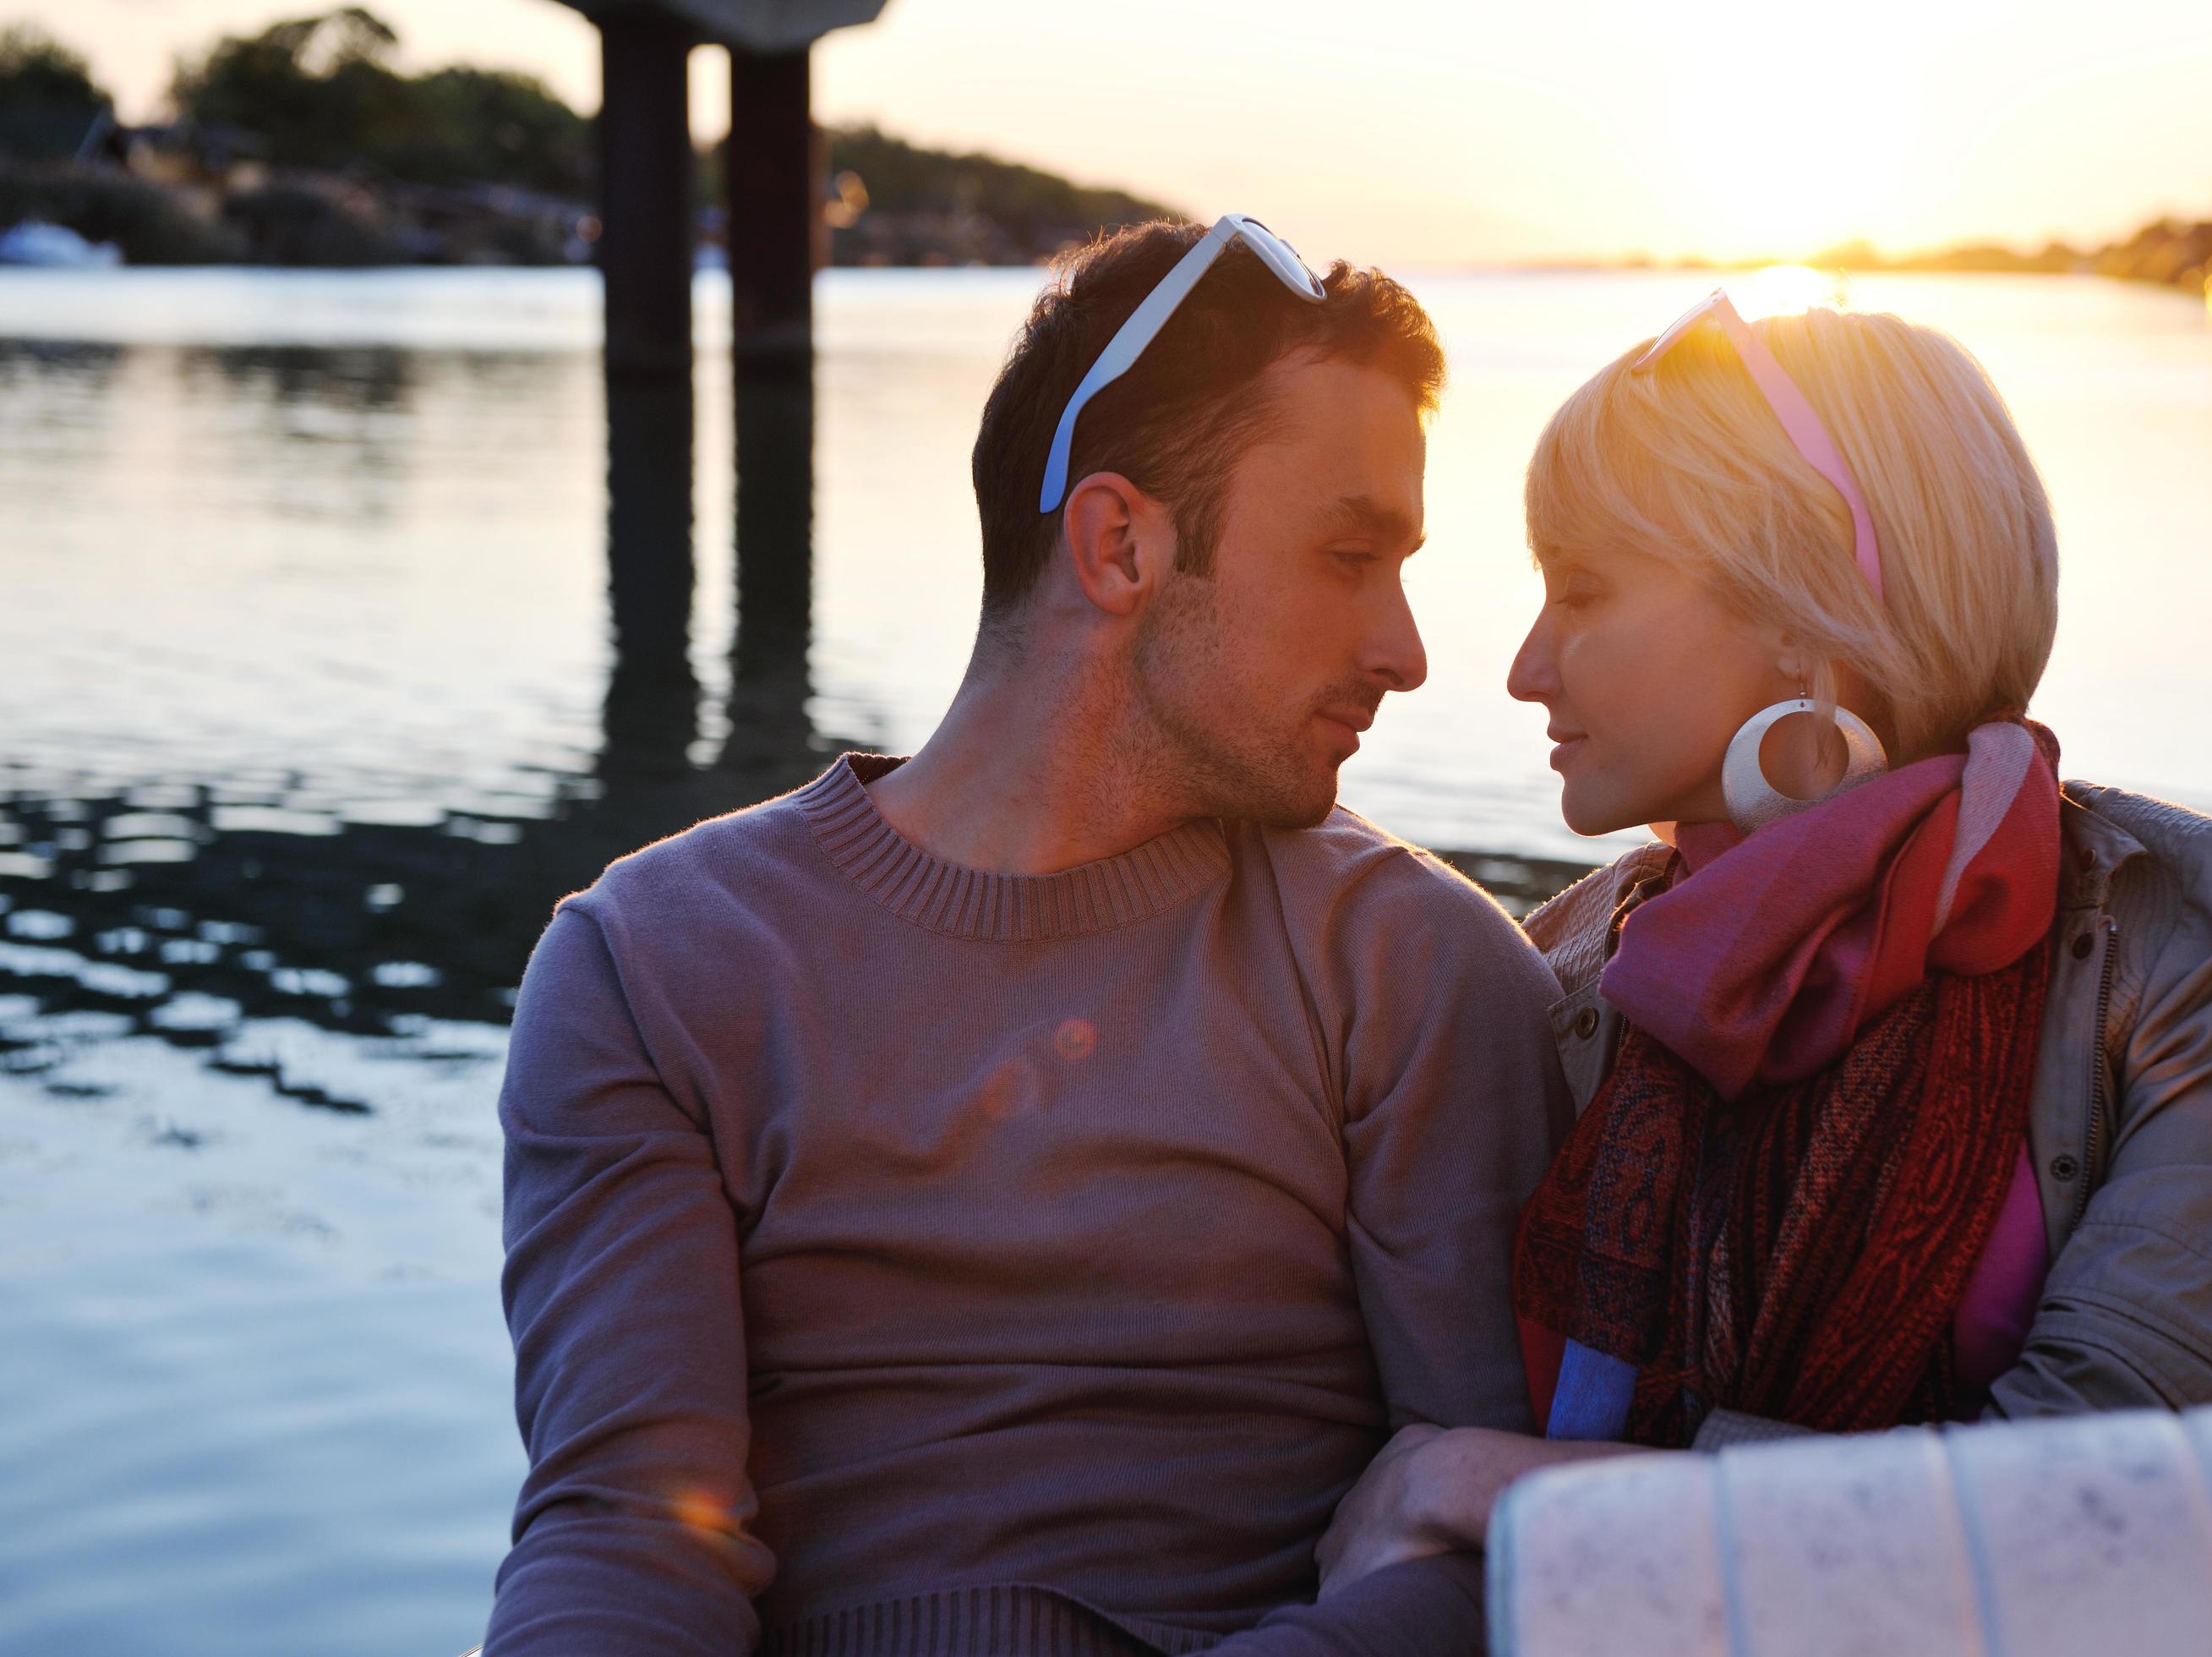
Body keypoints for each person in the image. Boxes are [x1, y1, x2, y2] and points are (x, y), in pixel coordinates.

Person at [487, 218, 1573, 1656]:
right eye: (1348, 553)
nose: (1407, 649)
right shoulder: (651, 968)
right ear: (1120, 544)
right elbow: (625, 1534)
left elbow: (1475, 1552)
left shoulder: (1411, 969)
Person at [1314, 292, 2212, 1594]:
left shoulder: (2196, 945)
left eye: (1582, 589)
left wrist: (1500, 1487)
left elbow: (2114, 1521)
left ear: (1807, 622)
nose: (1526, 666)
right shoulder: (1570, 968)